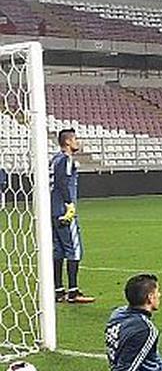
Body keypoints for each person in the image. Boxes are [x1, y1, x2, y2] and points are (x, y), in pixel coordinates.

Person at [50, 128, 95, 304]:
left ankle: (58, 290)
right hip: (64, 210)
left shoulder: (54, 159)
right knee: (74, 250)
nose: (78, 142)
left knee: (58, 250)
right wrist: (69, 205)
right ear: (68, 142)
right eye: (75, 139)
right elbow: (62, 182)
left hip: (53, 210)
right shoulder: (66, 159)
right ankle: (73, 292)